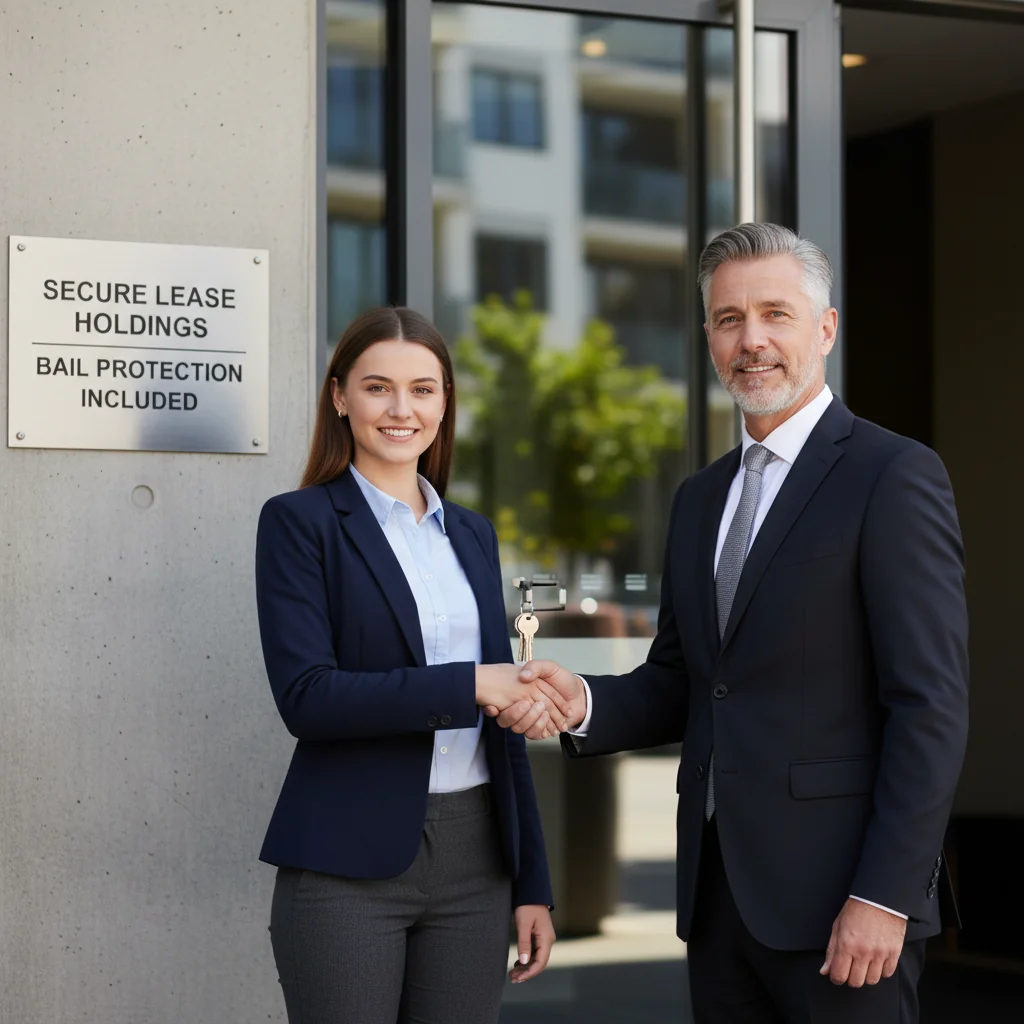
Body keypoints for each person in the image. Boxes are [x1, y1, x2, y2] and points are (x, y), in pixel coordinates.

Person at [491, 223, 969, 1023]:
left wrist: (884, 896)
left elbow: (931, 706)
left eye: (775, 314)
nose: (752, 341)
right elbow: (688, 679)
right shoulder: (699, 498)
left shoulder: (892, 476)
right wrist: (584, 702)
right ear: (708, 337)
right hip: (717, 905)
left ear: (825, 329)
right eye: (728, 319)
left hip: (844, 910)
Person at [255, 306, 567, 1024]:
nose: (403, 410)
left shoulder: (471, 535)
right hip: (346, 860)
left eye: (424, 390)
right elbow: (308, 697)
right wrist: (471, 685)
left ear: (444, 403)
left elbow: (500, 723)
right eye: (378, 388)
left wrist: (532, 883)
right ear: (340, 397)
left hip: (478, 860)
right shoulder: (298, 524)